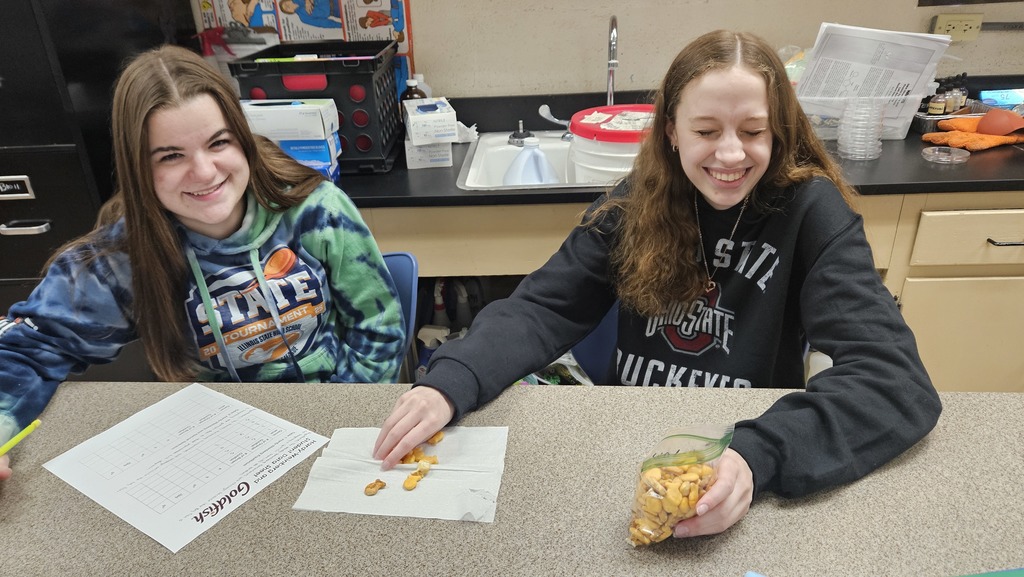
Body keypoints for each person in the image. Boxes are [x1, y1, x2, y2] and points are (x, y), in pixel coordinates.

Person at [373, 30, 941, 538]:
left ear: (781, 132)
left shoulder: (813, 211)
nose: (729, 153)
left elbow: (896, 383)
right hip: (631, 448)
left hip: (749, 456)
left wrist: (757, 456)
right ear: (670, 131)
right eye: (705, 130)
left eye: (753, 131)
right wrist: (451, 381)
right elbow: (544, 307)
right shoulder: (635, 201)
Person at [0, 45, 405, 477]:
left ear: (242, 139)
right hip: (209, 448)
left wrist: (340, 426)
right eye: (171, 155)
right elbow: (29, 350)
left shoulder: (317, 209)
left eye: (219, 143)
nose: (205, 172)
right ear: (138, 167)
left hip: (327, 419)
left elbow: (378, 330)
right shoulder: (124, 255)